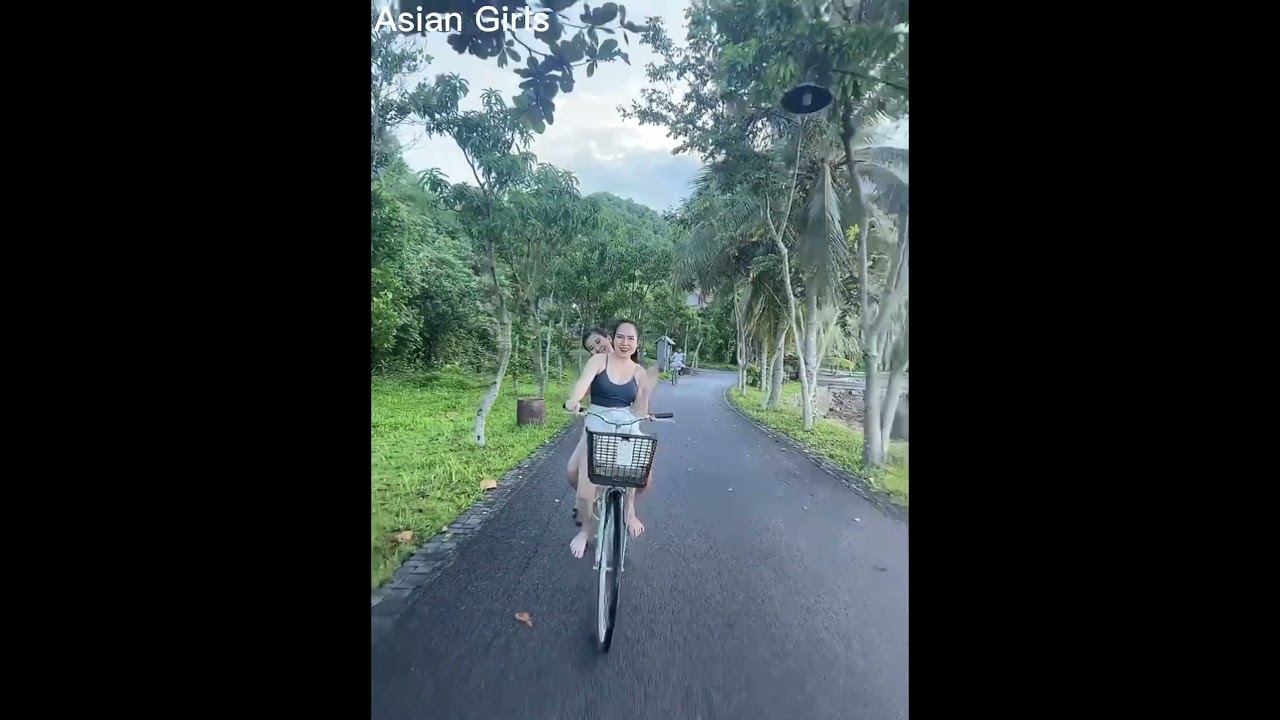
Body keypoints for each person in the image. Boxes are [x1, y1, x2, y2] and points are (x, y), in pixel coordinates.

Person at [564, 319, 658, 558]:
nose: (625, 342)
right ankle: (586, 529)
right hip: (597, 424)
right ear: (613, 338)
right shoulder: (598, 361)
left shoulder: (638, 371)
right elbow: (582, 384)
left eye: (631, 338)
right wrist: (574, 400)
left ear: (637, 342)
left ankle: (628, 510)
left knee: (639, 474)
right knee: (580, 479)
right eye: (621, 337)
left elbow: (639, 410)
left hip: (625, 426)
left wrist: (646, 391)